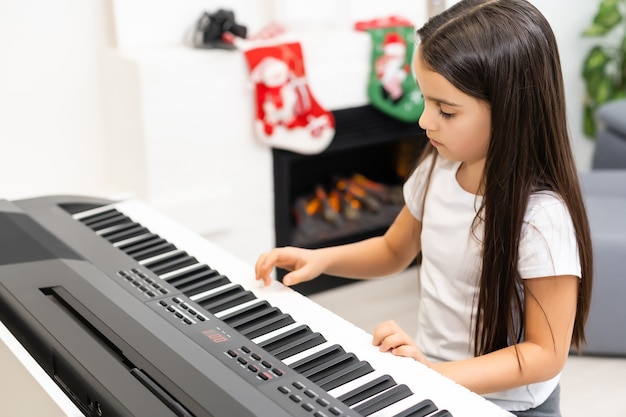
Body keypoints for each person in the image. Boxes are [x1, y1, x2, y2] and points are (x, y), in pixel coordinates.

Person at [254, 1, 593, 415]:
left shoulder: (541, 219)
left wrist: (434, 373)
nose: (423, 121)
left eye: (446, 110)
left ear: (510, 111)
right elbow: (393, 250)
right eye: (425, 100)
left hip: (511, 405)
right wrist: (321, 257)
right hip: (438, 379)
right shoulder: (438, 168)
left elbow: (545, 353)